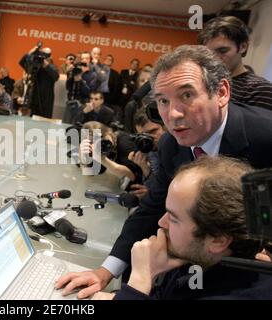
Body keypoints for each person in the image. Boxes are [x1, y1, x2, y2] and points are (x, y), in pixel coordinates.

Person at [56, 45, 272, 299]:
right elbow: (152, 208)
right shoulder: (172, 143)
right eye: (162, 101)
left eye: (187, 95)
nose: (173, 114)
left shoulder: (266, 136)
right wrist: (105, 271)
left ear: (222, 92)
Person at [94, 156, 272, 300]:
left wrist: (140, 280)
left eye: (173, 218)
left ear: (218, 240)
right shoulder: (197, 258)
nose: (161, 223)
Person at [198, 16, 272, 111]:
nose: (214, 58)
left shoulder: (261, 90)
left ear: (243, 47)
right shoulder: (206, 82)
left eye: (223, 50)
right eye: (209, 53)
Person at [128, 106, 166, 199]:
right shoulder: (151, 149)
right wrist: (144, 167)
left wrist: (151, 193)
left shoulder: (182, 146)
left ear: (165, 125)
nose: (149, 138)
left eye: (153, 131)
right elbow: (158, 184)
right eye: (143, 135)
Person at [19, 46, 59, 118]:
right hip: (34, 99)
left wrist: (46, 65)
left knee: (44, 123)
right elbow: (21, 62)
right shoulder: (35, 66)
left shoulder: (52, 67)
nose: (44, 57)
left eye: (47, 55)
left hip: (46, 101)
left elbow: (56, 76)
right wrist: (30, 52)